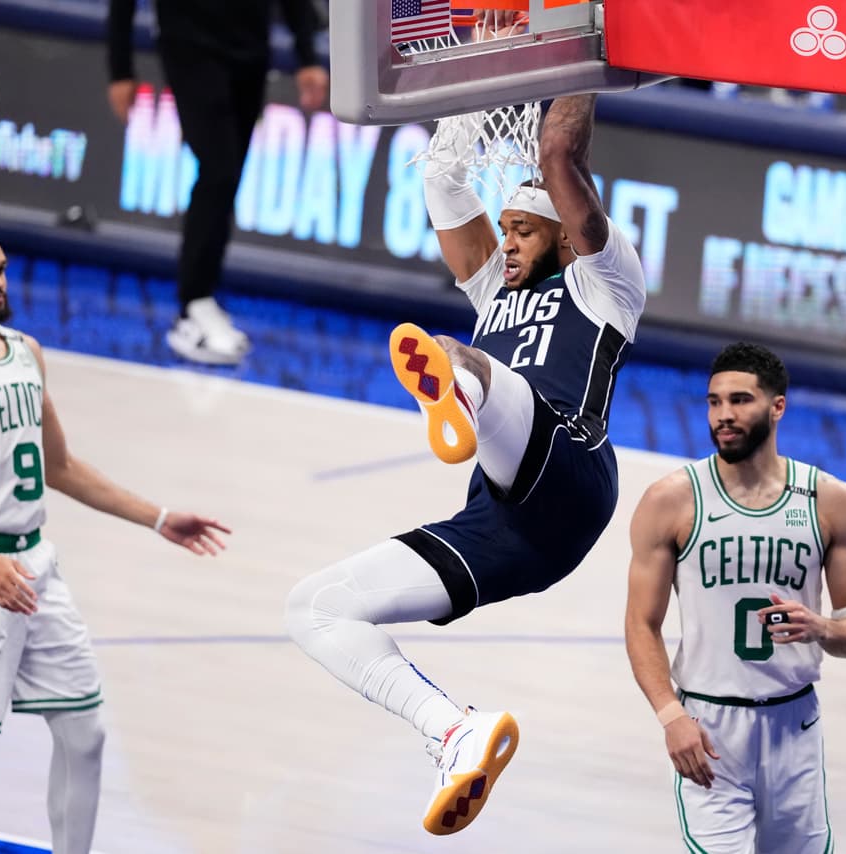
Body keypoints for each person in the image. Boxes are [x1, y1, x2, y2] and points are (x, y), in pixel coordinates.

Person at [284, 87, 647, 835]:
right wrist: (476, 81)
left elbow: (560, 153)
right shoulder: (492, 289)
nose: (506, 243)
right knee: (314, 607)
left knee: (460, 355)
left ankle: (456, 393)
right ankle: (455, 731)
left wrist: (579, 54)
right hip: (506, 523)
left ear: (566, 236)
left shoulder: (606, 282)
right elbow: (443, 178)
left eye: (524, 230)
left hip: (571, 471)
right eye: (503, 230)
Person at [0, 227, 232, 853]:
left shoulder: (26, 351)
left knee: (85, 730)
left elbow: (61, 466)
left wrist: (159, 518)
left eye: (1, 269)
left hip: (34, 564)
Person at [623, 342, 846, 853]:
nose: (724, 415)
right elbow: (641, 624)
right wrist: (671, 716)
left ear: (777, 407)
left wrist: (822, 628)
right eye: (714, 402)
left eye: (740, 400)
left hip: (794, 724)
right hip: (707, 727)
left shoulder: (829, 500)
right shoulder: (671, 499)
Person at [106, 0, 329, 365]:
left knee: (229, 176)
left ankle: (203, 298)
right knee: (218, 169)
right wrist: (120, 69)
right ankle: (192, 305)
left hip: (250, 47)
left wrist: (307, 56)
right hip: (190, 45)